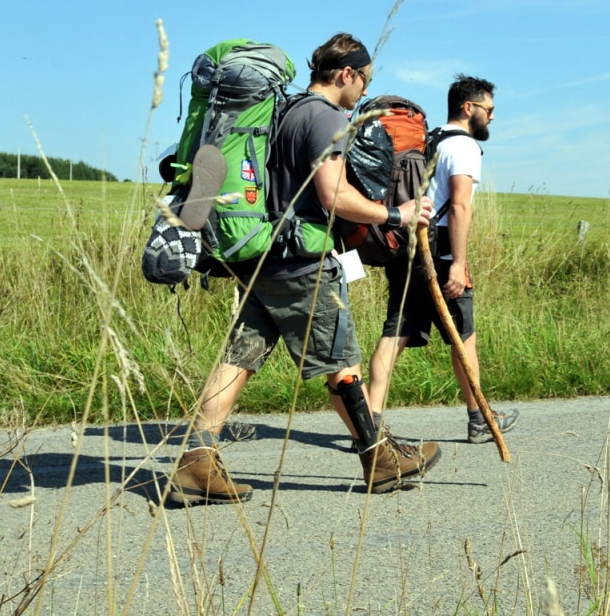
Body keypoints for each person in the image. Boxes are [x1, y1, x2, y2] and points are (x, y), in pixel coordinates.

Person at [169, 33, 439, 504]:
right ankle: (380, 458)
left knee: (239, 357)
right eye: (365, 80)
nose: (364, 92)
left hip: (262, 256)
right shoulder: (325, 117)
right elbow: (335, 195)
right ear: (346, 74)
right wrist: (399, 214)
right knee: (341, 362)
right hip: (302, 262)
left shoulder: (287, 109)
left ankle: (195, 461)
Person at [366, 74, 519, 444]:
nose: (493, 117)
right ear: (469, 108)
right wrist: (457, 263)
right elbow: (461, 207)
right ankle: (479, 418)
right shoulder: (464, 146)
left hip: (407, 246)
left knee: (396, 332)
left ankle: (368, 421)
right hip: (439, 251)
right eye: (489, 109)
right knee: (464, 337)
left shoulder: (429, 138)